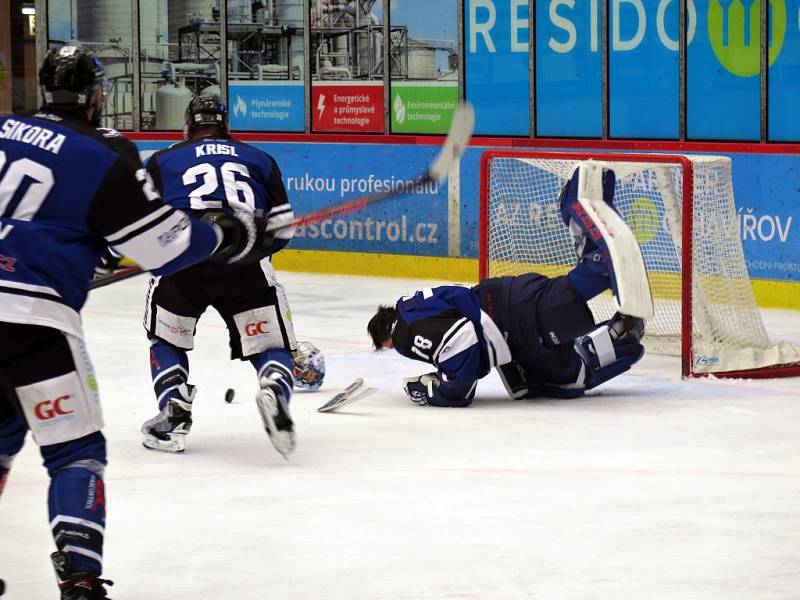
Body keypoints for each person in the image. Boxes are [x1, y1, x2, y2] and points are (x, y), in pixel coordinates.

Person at [0, 47, 271, 599]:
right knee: (73, 452)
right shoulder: (104, 153)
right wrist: (222, 231)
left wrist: (94, 250)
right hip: (36, 326)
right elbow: (162, 247)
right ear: (97, 97)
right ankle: (79, 578)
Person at [367, 167, 647, 407]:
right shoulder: (415, 309)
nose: (394, 349)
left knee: (584, 282)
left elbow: (463, 341)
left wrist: (442, 389)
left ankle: (578, 208)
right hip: (511, 324)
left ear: (387, 338)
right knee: (567, 382)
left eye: (389, 347)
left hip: (513, 315)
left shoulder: (404, 333)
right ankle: (622, 330)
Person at [139, 94, 300, 459]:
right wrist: (245, 242)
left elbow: (144, 224)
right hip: (245, 267)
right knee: (271, 346)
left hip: (182, 263)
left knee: (167, 339)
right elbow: (283, 232)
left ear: (187, 126)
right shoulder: (259, 159)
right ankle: (274, 386)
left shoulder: (162, 160)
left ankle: (173, 412)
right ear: (226, 125)